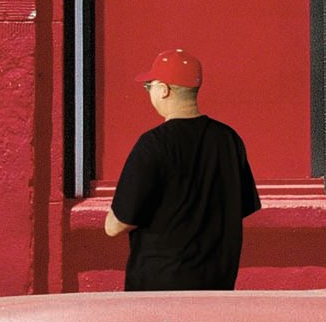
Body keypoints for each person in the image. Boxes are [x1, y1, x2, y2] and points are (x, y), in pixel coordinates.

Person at [104, 48, 261, 291]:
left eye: (150, 86)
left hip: (157, 292)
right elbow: (240, 207)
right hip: (216, 288)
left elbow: (116, 225)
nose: (149, 92)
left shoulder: (153, 144)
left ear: (164, 89)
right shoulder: (229, 140)